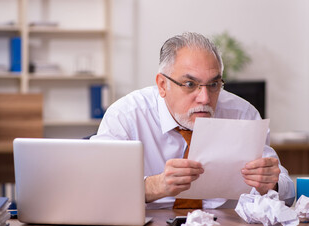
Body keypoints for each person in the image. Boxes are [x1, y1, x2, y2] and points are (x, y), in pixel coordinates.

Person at [91, 32, 295, 209]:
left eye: (214, 84)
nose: (205, 98)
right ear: (162, 85)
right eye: (190, 84)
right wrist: (155, 186)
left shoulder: (242, 114)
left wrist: (272, 184)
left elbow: (288, 193)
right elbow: (96, 189)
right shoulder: (127, 115)